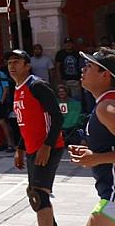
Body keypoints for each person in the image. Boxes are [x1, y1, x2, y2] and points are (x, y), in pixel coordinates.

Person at [5, 49, 65, 226]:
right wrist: (20, 148)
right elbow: (27, 124)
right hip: (32, 148)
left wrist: (47, 146)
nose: (12, 66)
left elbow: (57, 116)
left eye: (16, 62)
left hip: (47, 147)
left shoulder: (37, 85)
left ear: (27, 65)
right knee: (34, 194)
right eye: (9, 63)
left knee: (39, 196)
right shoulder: (17, 89)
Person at [69, 47, 115, 225]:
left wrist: (96, 158)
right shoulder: (104, 104)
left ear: (106, 75)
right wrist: (92, 153)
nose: (83, 69)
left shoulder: (107, 107)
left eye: (89, 66)